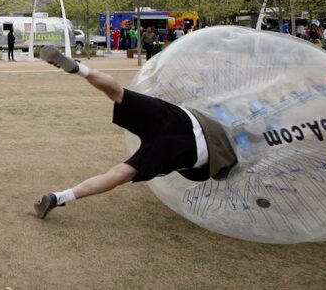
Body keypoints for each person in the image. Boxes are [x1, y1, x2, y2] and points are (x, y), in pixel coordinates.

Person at [33, 46, 237, 219]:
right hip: (192, 151)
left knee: (119, 94)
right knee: (121, 173)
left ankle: (81, 69)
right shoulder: (231, 150)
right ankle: (60, 196)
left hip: (182, 118)